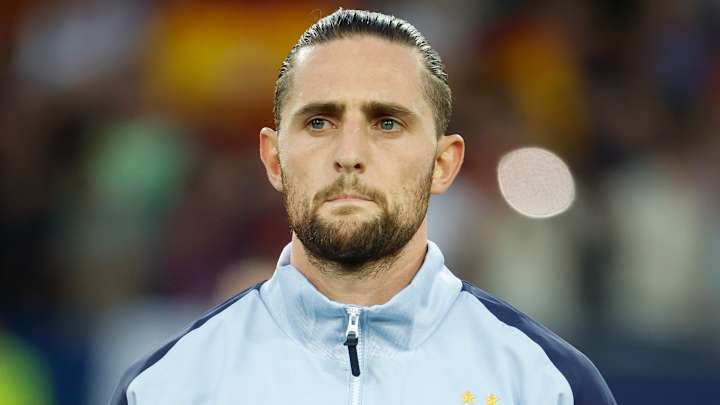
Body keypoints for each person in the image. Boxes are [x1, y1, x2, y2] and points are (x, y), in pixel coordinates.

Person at [110, 9, 616, 404]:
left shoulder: (547, 385)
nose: (349, 154)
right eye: (319, 123)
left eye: (387, 123)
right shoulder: (167, 387)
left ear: (443, 164)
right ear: (274, 159)